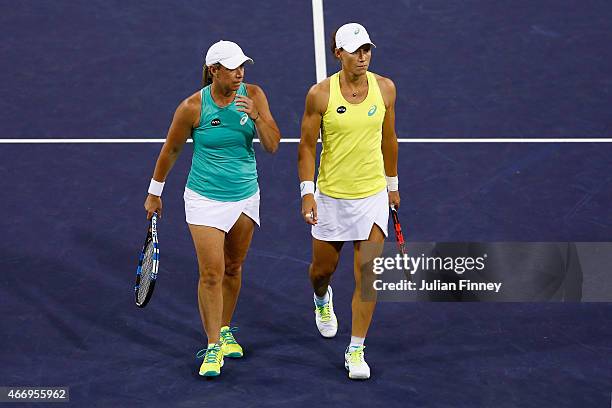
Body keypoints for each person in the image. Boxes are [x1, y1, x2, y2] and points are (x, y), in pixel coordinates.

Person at [144, 40, 281, 377]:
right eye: (232, 67)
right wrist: (154, 192)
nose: (240, 73)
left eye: (242, 66)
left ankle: (225, 329)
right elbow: (171, 151)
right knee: (211, 273)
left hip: (246, 196)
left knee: (233, 267)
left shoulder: (254, 95)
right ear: (213, 71)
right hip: (204, 198)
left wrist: (258, 117)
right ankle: (212, 347)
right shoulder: (192, 107)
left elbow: (274, 145)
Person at [297, 23, 400, 380]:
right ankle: (322, 299)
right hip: (331, 197)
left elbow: (390, 139)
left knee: (367, 277)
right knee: (322, 271)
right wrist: (307, 191)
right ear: (338, 53)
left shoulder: (385, 88)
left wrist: (392, 184)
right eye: (356, 50)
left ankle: (356, 349)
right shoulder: (320, 95)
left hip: (371, 196)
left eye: (367, 49)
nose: (363, 56)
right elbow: (307, 146)